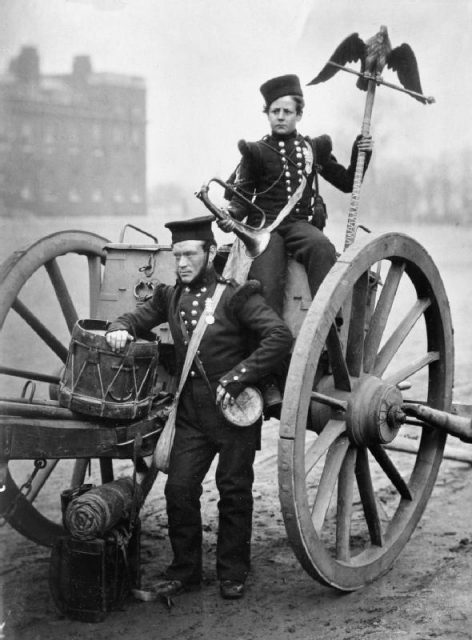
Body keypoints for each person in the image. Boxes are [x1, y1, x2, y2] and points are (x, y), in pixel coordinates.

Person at [105, 216, 293, 600]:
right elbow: (135, 318)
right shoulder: (169, 296)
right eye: (177, 256)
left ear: (209, 253)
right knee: (178, 490)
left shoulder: (237, 295)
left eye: (190, 254)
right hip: (190, 415)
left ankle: (232, 572)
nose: (182, 264)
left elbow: (279, 336)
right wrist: (119, 327)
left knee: (234, 491)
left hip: (233, 412)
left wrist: (240, 376)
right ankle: (185, 571)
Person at [218, 73, 374, 316]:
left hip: (300, 225)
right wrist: (230, 216)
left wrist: (360, 153)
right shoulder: (255, 152)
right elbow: (242, 200)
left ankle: (329, 322)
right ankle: (270, 340)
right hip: (265, 229)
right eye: (274, 111)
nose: (280, 117)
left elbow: (346, 183)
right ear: (267, 113)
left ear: (299, 115)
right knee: (266, 281)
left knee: (322, 247)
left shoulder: (313, 148)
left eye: (287, 112)